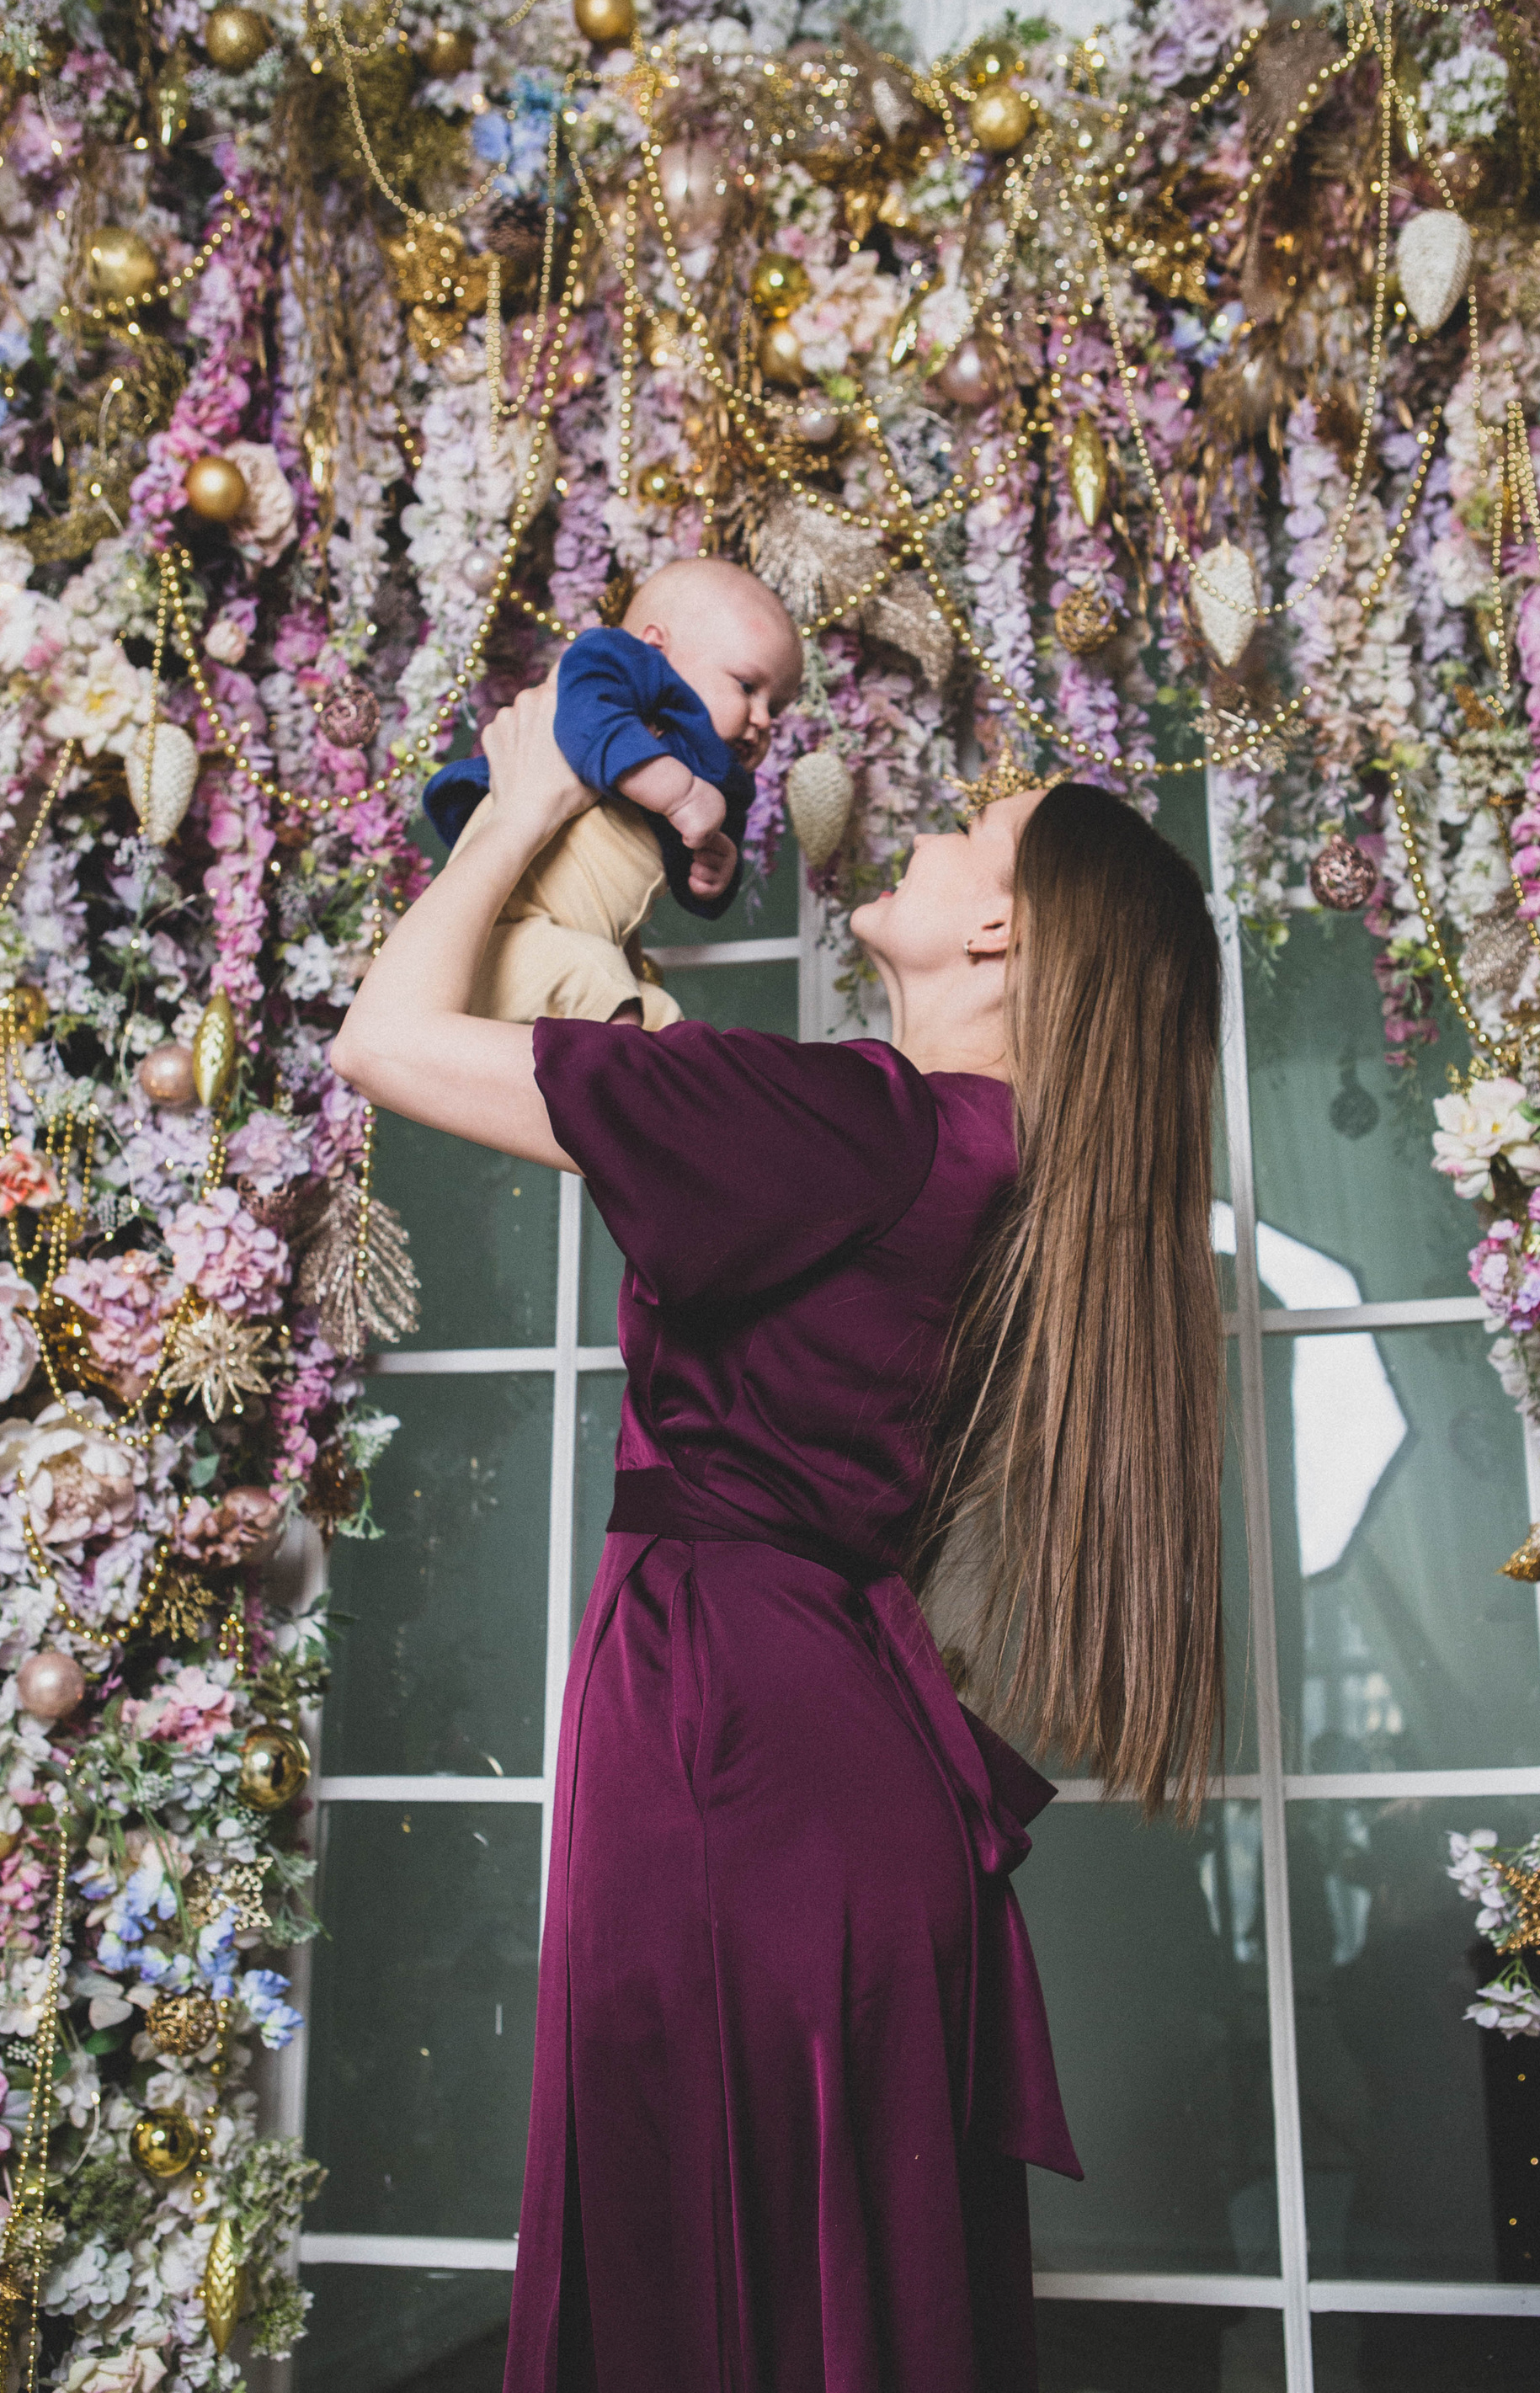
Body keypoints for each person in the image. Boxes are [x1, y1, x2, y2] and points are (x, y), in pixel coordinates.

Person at [330, 679, 1226, 2393]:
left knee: (704, 2265)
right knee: (802, 2289)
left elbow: (384, 1039)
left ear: (1002, 933)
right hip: (822, 1753)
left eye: (975, 829)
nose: (932, 829)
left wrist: (519, 803)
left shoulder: (859, 1126)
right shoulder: (990, 1167)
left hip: (732, 1739)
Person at [421, 558, 802, 1029]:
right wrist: (681, 796)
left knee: (669, 1029)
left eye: (775, 708)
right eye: (746, 686)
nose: (762, 719)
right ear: (655, 649)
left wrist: (715, 869)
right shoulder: (618, 670)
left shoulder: (721, 776)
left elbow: (694, 882)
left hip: (573, 950)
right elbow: (586, 723)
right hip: (503, 941)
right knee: (610, 999)